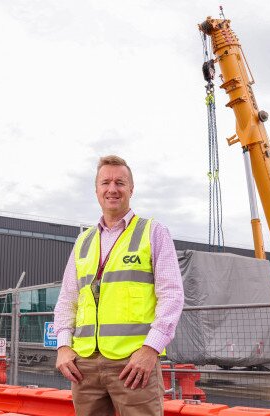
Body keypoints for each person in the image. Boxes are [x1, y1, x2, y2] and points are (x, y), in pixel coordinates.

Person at [53, 155, 184, 416]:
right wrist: (63, 346)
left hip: (133, 365)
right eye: (106, 183)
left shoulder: (152, 232)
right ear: (96, 190)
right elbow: (68, 299)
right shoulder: (83, 241)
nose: (112, 189)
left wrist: (150, 350)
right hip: (84, 367)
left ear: (131, 190)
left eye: (120, 183)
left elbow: (172, 295)